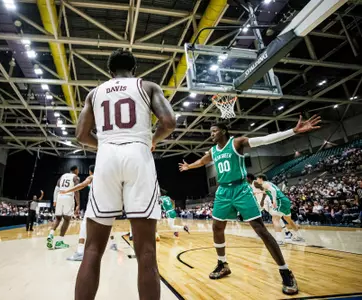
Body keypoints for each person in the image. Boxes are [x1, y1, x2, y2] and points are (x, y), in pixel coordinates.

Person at [179, 115, 320, 295]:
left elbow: (264, 140)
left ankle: (285, 271)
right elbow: (203, 161)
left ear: (223, 131)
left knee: (260, 229)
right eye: (210, 132)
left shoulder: (237, 142)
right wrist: (189, 167)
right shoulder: (213, 150)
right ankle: (222, 264)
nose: (211, 134)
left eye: (214, 131)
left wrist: (293, 131)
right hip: (222, 191)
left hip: (241, 189)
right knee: (217, 227)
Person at [74, 49, 176, 300]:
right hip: (139, 156)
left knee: (93, 249)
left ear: (110, 72)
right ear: (134, 70)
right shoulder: (148, 86)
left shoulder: (94, 93)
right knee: (146, 252)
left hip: (107, 157)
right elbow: (169, 122)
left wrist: (106, 144)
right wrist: (151, 139)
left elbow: (81, 135)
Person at [61, 165, 118, 261]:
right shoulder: (106, 178)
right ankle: (113, 244)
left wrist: (67, 190)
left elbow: (82, 185)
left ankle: (80, 252)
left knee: (83, 227)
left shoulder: (92, 177)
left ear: (90, 172)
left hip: (94, 207)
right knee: (108, 226)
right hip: (108, 207)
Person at [256, 174, 304, 244]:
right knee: (288, 219)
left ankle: (279, 240)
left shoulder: (264, 184)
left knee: (275, 219)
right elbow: (269, 191)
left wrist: (274, 201)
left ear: (260, 178)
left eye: (257, 179)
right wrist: (258, 192)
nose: (257, 181)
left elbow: (273, 191)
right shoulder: (270, 183)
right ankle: (297, 236)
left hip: (280, 201)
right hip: (285, 200)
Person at [47, 166, 80, 250]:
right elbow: (76, 190)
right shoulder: (75, 177)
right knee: (67, 219)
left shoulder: (62, 176)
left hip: (59, 197)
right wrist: (78, 204)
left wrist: (55, 200)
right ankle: (60, 242)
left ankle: (50, 234)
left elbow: (56, 188)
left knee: (57, 218)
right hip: (68, 197)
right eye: (78, 170)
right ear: (75, 170)